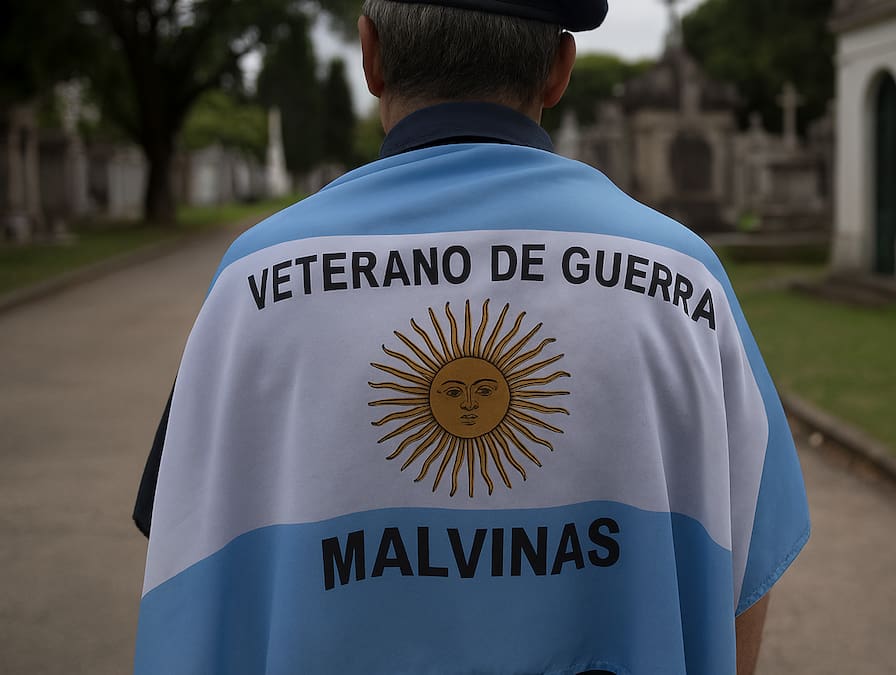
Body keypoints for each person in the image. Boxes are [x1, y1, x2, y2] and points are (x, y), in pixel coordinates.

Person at [133, 1, 811, 673]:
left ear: (370, 55)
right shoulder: (683, 283)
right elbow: (747, 555)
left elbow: (183, 546)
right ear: (559, 70)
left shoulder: (254, 286)